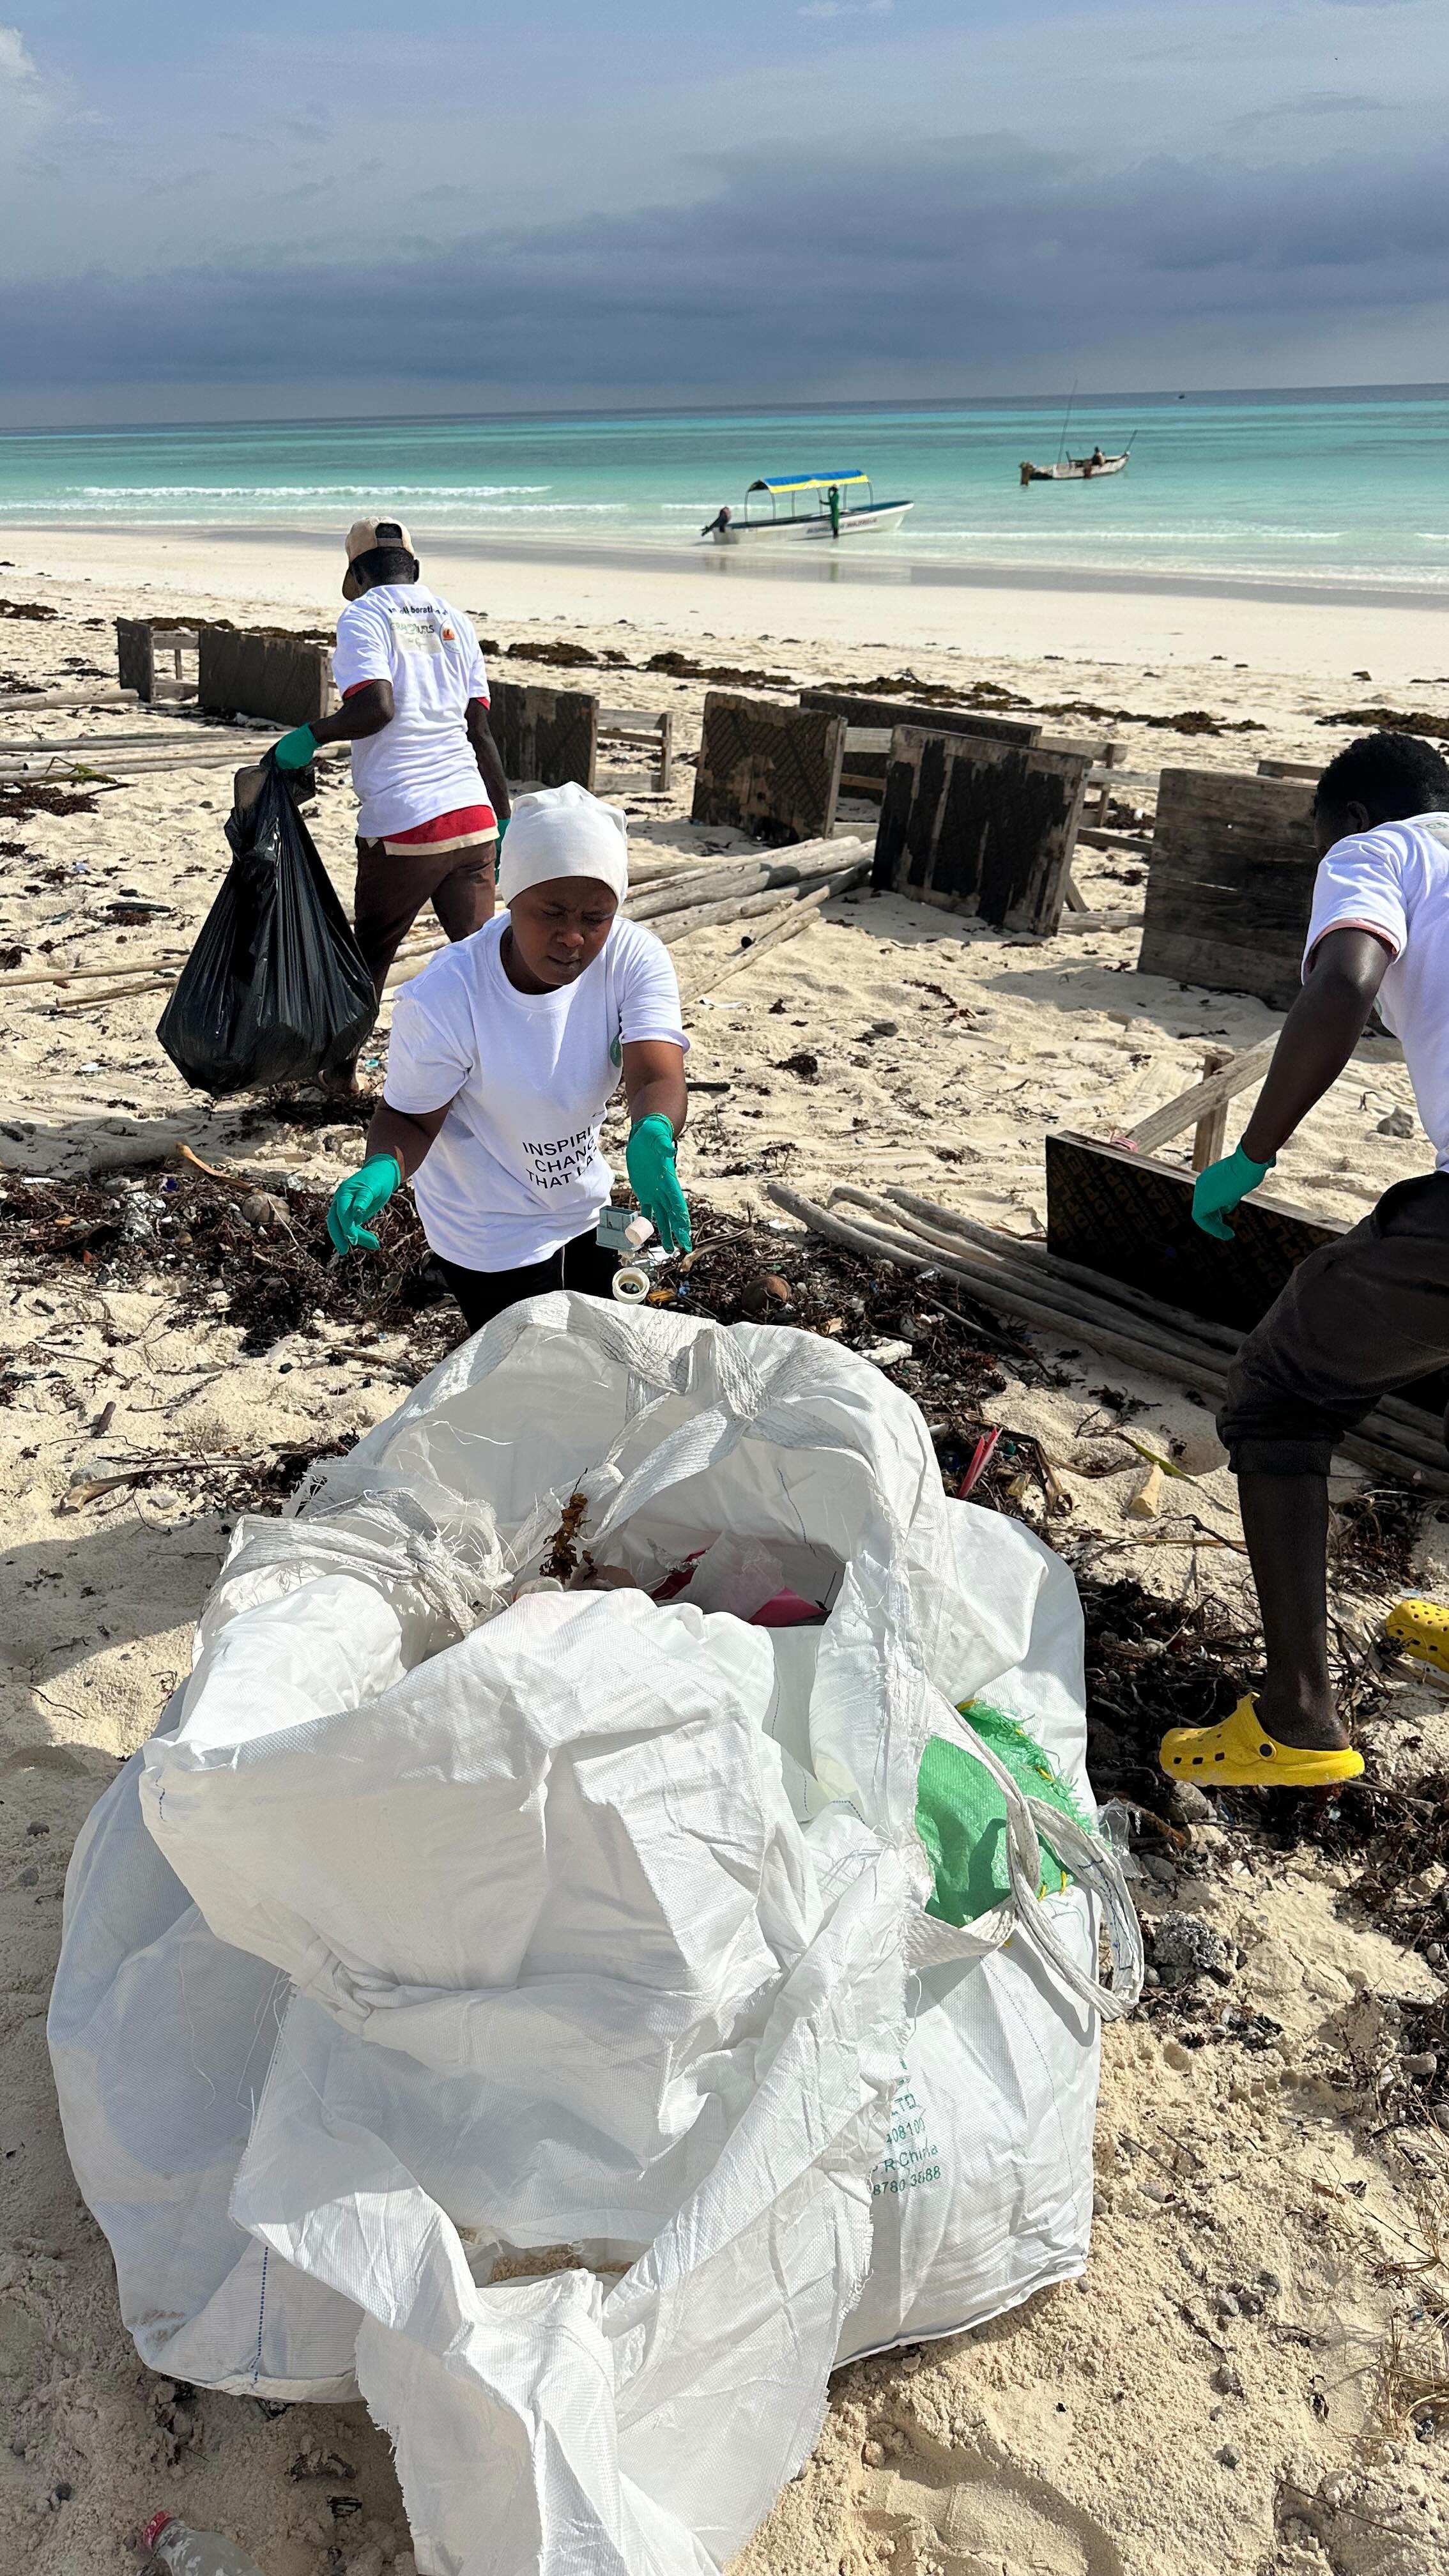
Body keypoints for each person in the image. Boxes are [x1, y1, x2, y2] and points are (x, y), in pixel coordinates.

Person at [1159, 729, 1449, 1790]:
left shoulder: (1380, 852)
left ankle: (1294, 1719)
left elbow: (1340, 985)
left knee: (1279, 1394)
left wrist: (1252, 1150)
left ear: (1353, 817)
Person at [324, 783, 691, 1334]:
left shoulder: (633, 958)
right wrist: (382, 1169)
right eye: (553, 911)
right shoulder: (448, 996)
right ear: (510, 894)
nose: (573, 937)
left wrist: (654, 1132)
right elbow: (411, 1118)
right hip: (485, 1229)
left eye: (596, 917)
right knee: (528, 1369)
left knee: (607, 1338)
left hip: (585, 1203)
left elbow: (654, 1072)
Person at [271, 515, 511, 995]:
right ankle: (493, 1067)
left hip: (407, 823)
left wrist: (308, 737)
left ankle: (341, 1072)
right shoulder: (455, 620)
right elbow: (479, 731)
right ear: (415, 568)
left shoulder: (364, 615)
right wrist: (502, 820)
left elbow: (376, 709)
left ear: (358, 576)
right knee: (484, 967)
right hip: (472, 819)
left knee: (371, 956)